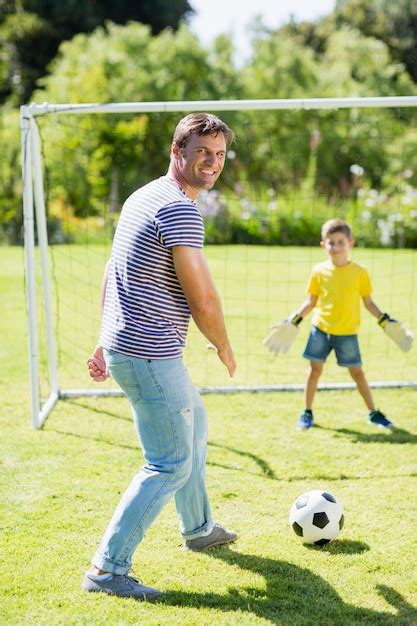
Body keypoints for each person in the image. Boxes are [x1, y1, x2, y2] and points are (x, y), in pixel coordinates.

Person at [82, 113, 237, 600]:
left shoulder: (143, 194)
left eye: (219, 155)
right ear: (178, 153)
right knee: (170, 462)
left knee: (196, 425)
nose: (212, 164)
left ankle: (199, 528)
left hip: (132, 347)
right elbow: (203, 299)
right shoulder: (179, 208)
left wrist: (105, 338)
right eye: (202, 154)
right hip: (150, 355)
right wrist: (224, 345)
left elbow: (114, 267)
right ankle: (107, 570)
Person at [263, 218, 413, 431]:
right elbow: (311, 302)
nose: (335, 246)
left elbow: (368, 303)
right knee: (314, 371)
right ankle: (307, 413)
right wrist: (293, 321)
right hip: (320, 329)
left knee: (357, 373)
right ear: (323, 245)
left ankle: (373, 413)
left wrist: (385, 321)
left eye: (340, 241)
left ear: (350, 243)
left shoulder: (360, 272)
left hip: (347, 333)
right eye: (331, 242)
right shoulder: (318, 271)